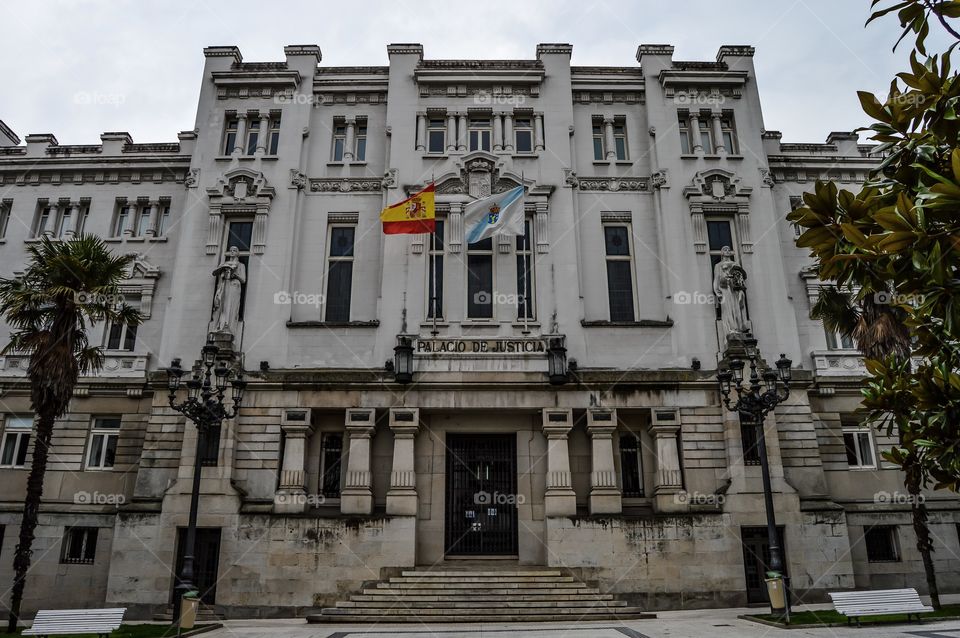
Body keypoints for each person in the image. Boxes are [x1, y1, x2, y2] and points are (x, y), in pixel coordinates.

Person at [713, 246, 749, 339]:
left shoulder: (735, 264)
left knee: (737, 307)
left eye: (729, 250)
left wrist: (741, 290)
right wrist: (717, 292)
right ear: (722, 253)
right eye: (725, 250)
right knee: (728, 308)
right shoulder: (718, 265)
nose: (727, 251)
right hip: (725, 288)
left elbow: (740, 277)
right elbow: (716, 278)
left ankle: (740, 327)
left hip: (735, 288)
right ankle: (731, 328)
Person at [211, 246, 246, 336]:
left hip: (234, 286)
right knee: (222, 306)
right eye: (231, 250)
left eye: (234, 250)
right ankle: (220, 325)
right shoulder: (225, 263)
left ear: (238, 253)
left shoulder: (241, 265)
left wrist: (235, 275)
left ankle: (228, 326)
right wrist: (222, 270)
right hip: (225, 285)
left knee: (231, 306)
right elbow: (214, 273)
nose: (232, 252)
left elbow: (243, 279)